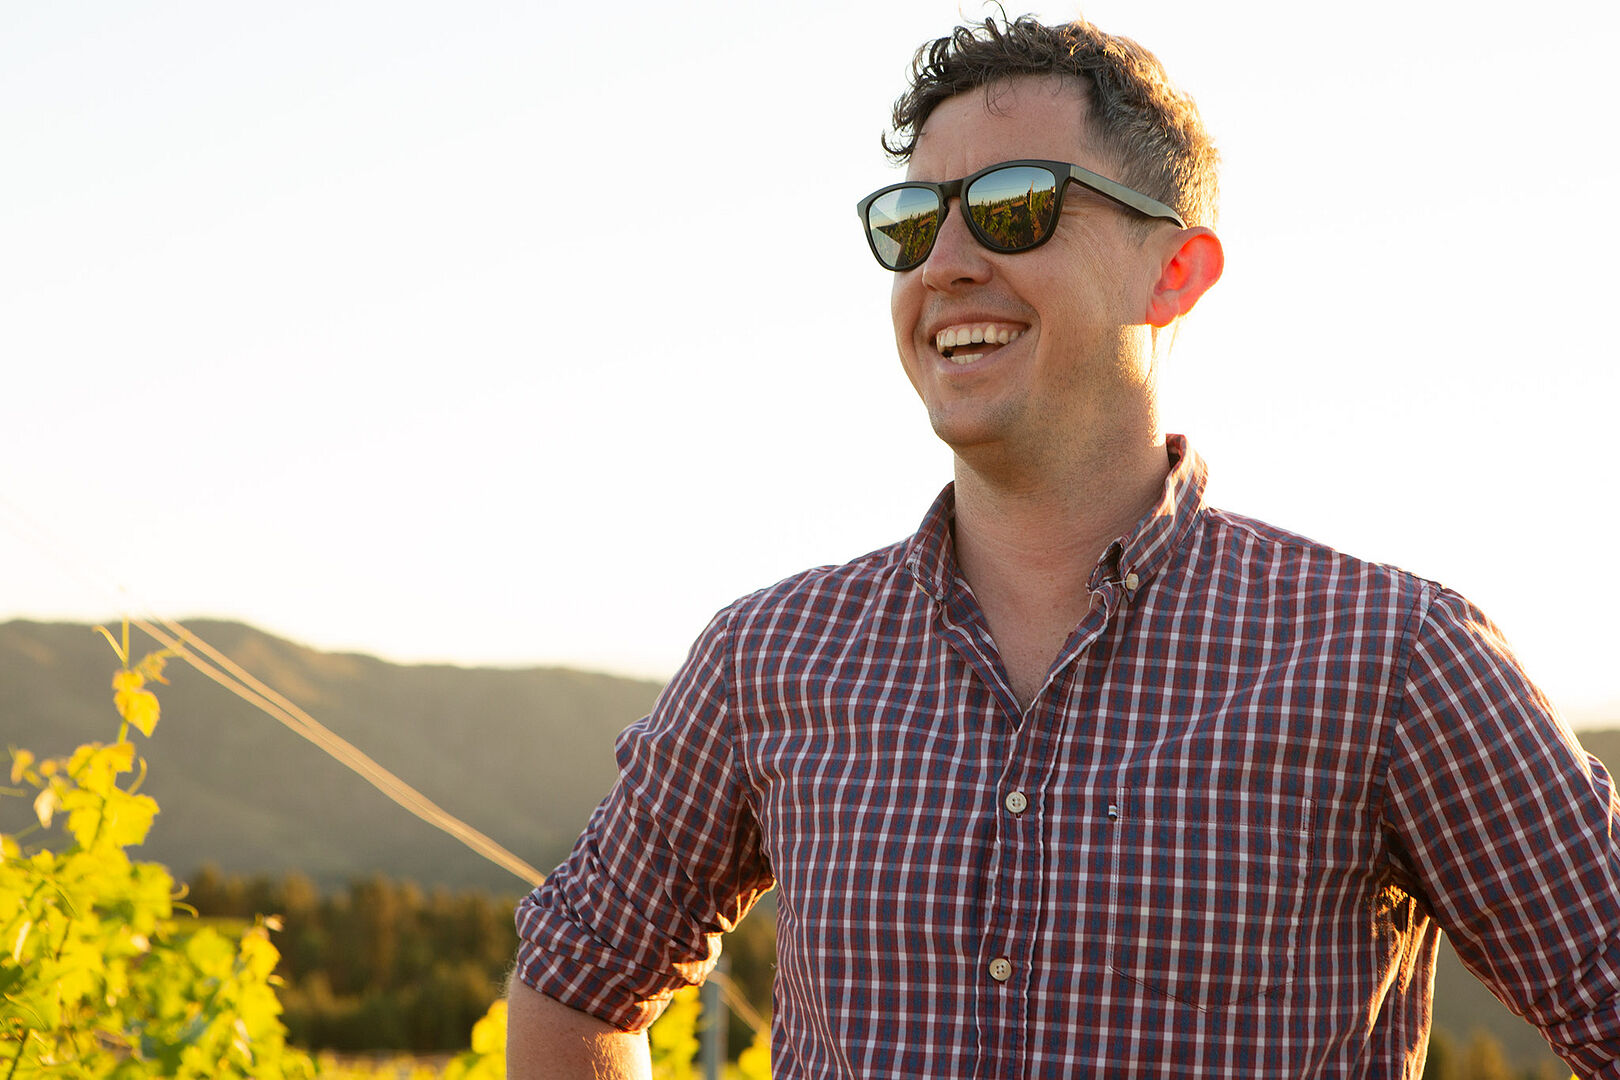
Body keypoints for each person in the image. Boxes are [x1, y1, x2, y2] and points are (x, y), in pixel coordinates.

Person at [506, 15, 1620, 1079]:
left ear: (1174, 272)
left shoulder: (1392, 657)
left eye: (1011, 206)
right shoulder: (769, 656)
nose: (940, 263)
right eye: (910, 220)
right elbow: (576, 973)